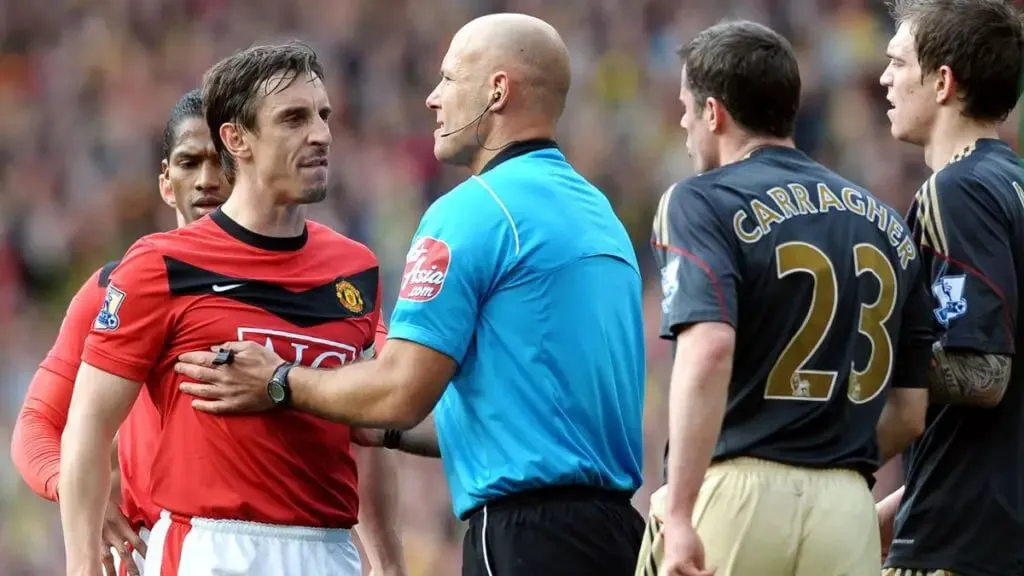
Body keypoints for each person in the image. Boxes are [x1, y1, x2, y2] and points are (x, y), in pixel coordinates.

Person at [174, 13, 647, 576]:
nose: (432, 98)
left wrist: (279, 381)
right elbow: (525, 408)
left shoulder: (472, 212)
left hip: (526, 536)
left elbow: (400, 390)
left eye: (449, 78)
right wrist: (377, 425)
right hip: (618, 535)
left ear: (497, 92)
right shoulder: (600, 216)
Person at [58, 43, 405, 576]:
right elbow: (86, 426)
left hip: (330, 551)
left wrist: (389, 564)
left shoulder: (355, 268)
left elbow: (368, 433)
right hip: (213, 550)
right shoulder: (161, 265)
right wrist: (81, 567)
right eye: (294, 118)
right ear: (235, 138)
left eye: (323, 115)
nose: (321, 134)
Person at [636, 21, 933, 576]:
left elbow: (709, 350)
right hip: (846, 507)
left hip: (736, 493)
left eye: (685, 105)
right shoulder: (888, 223)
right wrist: (827, 457)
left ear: (713, 112)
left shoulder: (699, 201)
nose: (681, 121)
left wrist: (679, 510)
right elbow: (910, 412)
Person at [11, 89, 228, 576]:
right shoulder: (115, 289)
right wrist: (78, 492)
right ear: (166, 184)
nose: (207, 181)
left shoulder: (308, 282)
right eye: (189, 163)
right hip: (158, 552)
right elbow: (35, 428)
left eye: (222, 161)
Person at [877, 1, 1024, 574]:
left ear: (942, 82)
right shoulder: (1010, 185)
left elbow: (985, 373)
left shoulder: (955, 193)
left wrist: (863, 362)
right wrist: (900, 507)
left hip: (962, 546)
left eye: (897, 62)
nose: (884, 78)